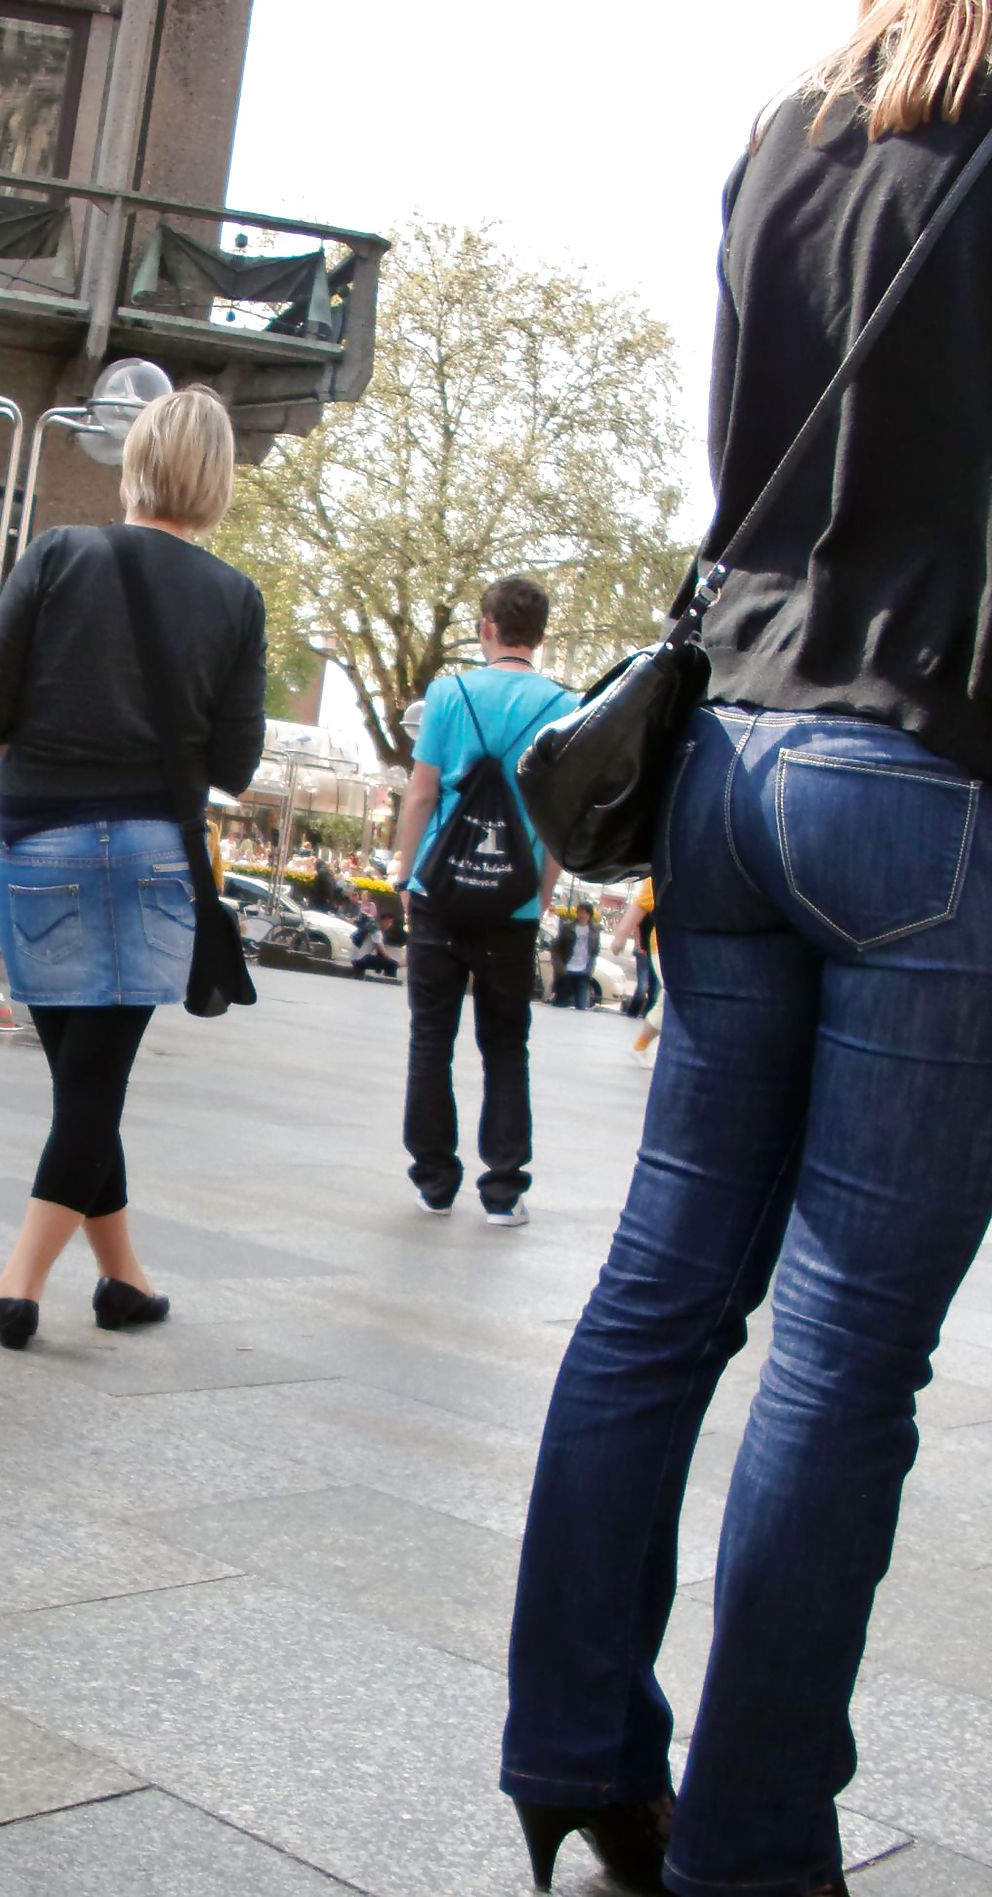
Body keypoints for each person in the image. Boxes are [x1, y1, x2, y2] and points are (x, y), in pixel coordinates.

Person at [501, 9, 992, 1897]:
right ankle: (758, 1841)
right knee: (849, 1354)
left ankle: (572, 1751)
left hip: (734, 757)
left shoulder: (785, 130)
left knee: (660, 1287)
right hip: (933, 771)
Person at [0, 386, 266, 1351]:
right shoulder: (235, 597)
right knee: (94, 1085)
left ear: (134, 460)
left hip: (38, 841)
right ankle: (18, 1283)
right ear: (219, 480)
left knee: (82, 1082)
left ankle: (123, 1278)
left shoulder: (57, 554)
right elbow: (234, 763)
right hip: (155, 850)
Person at [396, 575, 578, 1225]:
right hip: (513, 904)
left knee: (430, 1037)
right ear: (540, 635)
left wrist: (403, 872)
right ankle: (503, 1189)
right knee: (506, 1044)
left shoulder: (448, 694)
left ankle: (434, 1180)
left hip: (440, 893)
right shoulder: (567, 705)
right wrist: (543, 886)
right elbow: (562, 817)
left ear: (486, 627)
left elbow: (421, 795)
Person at [612, 877, 663, 1063]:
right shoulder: (669, 862)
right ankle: (641, 1046)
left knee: (672, 1000)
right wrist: (621, 934)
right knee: (670, 998)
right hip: (665, 945)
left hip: (696, 945)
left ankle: (642, 1045)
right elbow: (641, 903)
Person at [550, 903, 600, 1010]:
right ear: (577, 912)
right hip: (567, 969)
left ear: (590, 915)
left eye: (586, 912)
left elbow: (595, 951)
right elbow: (557, 947)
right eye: (581, 911)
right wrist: (559, 966)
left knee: (581, 1005)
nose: (583, 915)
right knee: (560, 1003)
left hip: (583, 971)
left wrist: (590, 967)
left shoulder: (594, 930)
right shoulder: (568, 927)